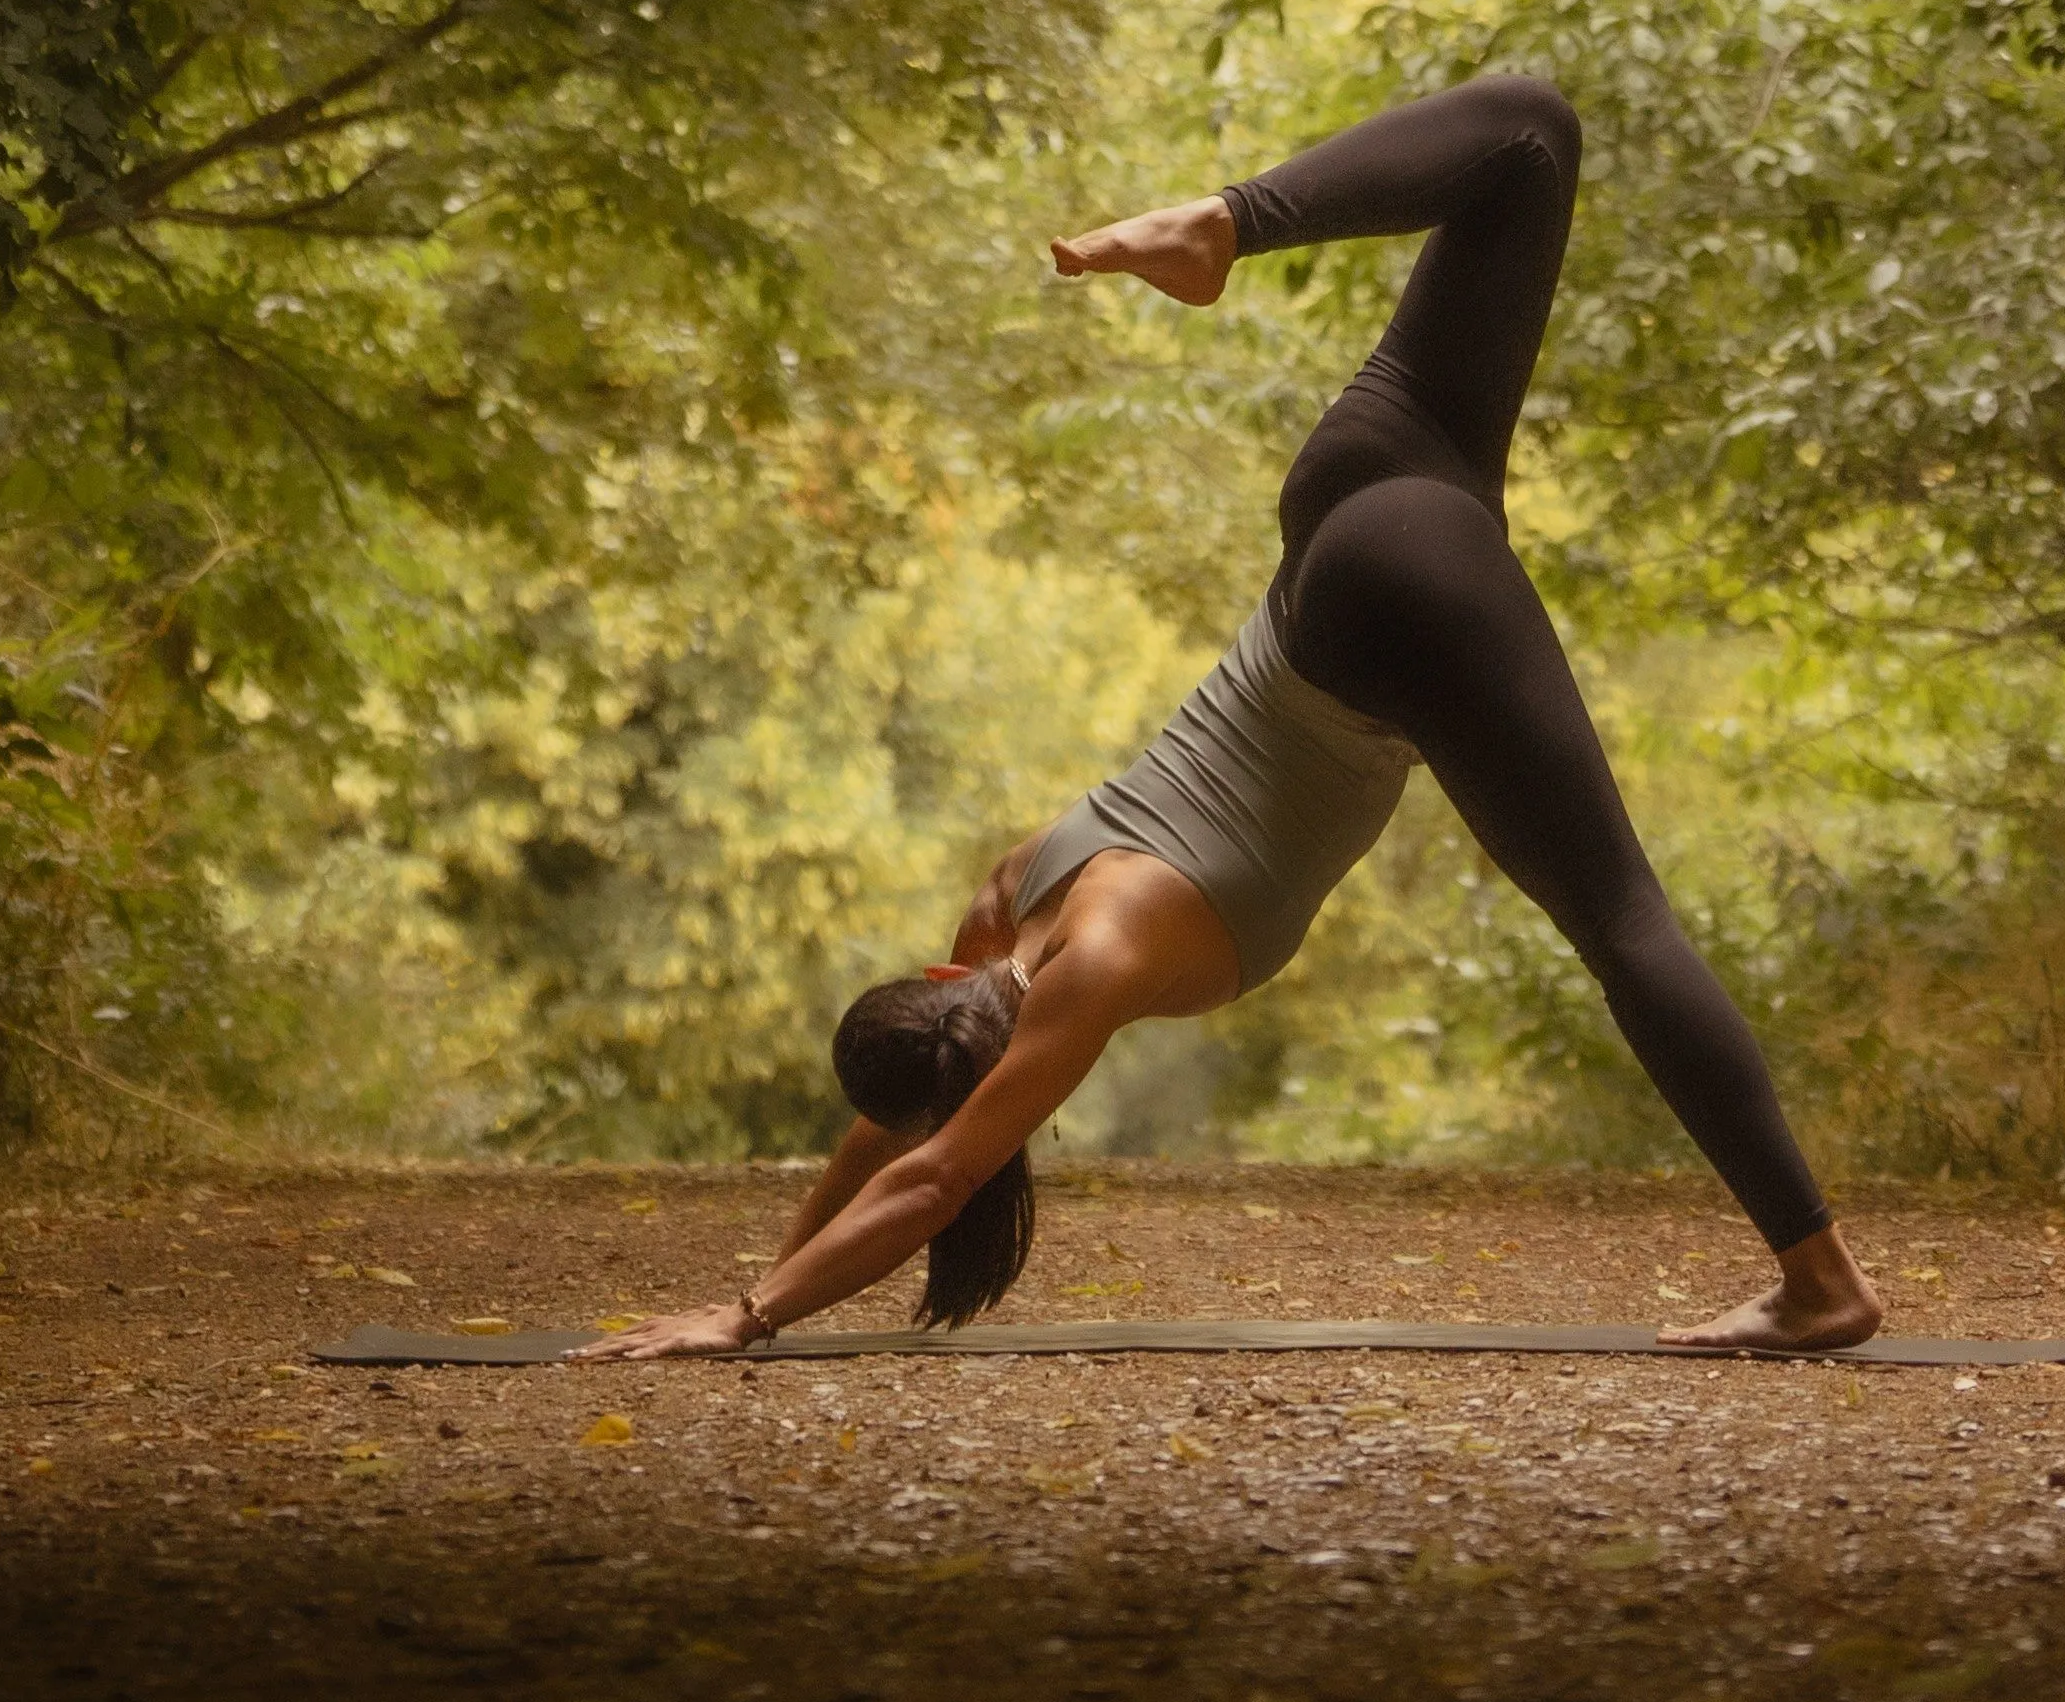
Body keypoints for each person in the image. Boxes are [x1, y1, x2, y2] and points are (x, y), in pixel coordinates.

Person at [594, 71, 1881, 1363]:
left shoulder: (1090, 980)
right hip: (1361, 483)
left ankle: (1822, 1280)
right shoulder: (1008, 900)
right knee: (1530, 133)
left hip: (1386, 613)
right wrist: (756, 1288)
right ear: (939, 985)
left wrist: (753, 1311)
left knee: (1622, 918)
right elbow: (901, 1124)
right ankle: (1226, 222)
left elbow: (926, 1175)